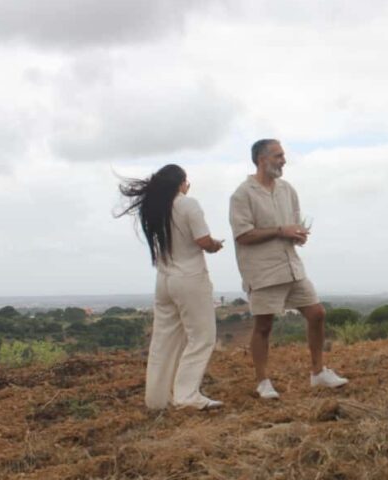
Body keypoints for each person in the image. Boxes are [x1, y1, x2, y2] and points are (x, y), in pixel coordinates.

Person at [229, 139, 348, 399]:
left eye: (283, 155)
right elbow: (243, 235)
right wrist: (281, 231)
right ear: (262, 159)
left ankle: (318, 373)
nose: (284, 160)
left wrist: (298, 235)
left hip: (291, 266)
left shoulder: (287, 189)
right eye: (278, 155)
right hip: (262, 271)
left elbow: (293, 224)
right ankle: (263, 382)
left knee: (316, 313)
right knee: (264, 326)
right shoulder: (242, 194)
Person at [117, 164, 225, 410]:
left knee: (164, 340)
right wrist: (215, 245)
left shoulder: (155, 208)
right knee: (202, 337)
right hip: (190, 278)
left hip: (164, 279)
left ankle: (156, 399)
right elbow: (203, 240)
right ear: (181, 183)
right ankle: (187, 395)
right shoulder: (188, 204)